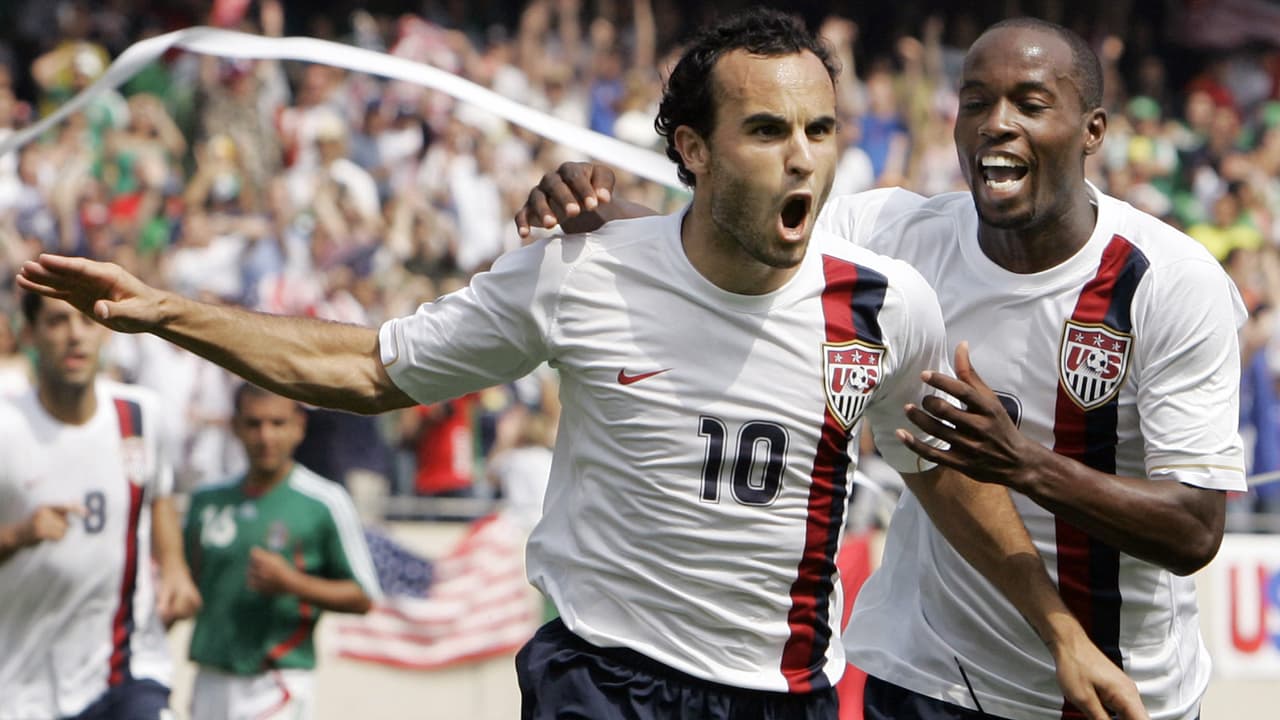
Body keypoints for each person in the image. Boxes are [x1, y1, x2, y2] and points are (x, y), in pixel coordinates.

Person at [18, 11, 1141, 720]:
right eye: (765, 132)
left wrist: (1059, 634)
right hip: (602, 682)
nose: (800, 157)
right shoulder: (582, 273)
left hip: (783, 696)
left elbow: (941, 474)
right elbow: (365, 369)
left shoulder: (885, 308)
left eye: (817, 130)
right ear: (693, 151)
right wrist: (166, 313)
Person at [514, 17, 1241, 720]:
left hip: (1118, 689)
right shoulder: (892, 238)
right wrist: (597, 206)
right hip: (929, 676)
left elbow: (1193, 530)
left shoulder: (1169, 283)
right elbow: (734, 245)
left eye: (1030, 103)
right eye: (976, 102)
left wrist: (1024, 465)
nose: (996, 123)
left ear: (1092, 132)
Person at [0, 291, 201, 720]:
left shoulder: (141, 414)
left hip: (127, 666)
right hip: (25, 683)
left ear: (106, 332)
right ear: (30, 333)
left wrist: (175, 568)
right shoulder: (7, 428)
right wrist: (19, 534)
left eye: (88, 321)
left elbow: (158, 493)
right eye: (57, 322)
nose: (76, 336)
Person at [183, 383, 380, 720]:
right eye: (254, 423)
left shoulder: (323, 502)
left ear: (299, 426)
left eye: (277, 423)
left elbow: (363, 596)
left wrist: (291, 583)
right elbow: (183, 584)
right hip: (210, 679)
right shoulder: (207, 501)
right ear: (235, 427)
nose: (265, 437)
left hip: (277, 681)